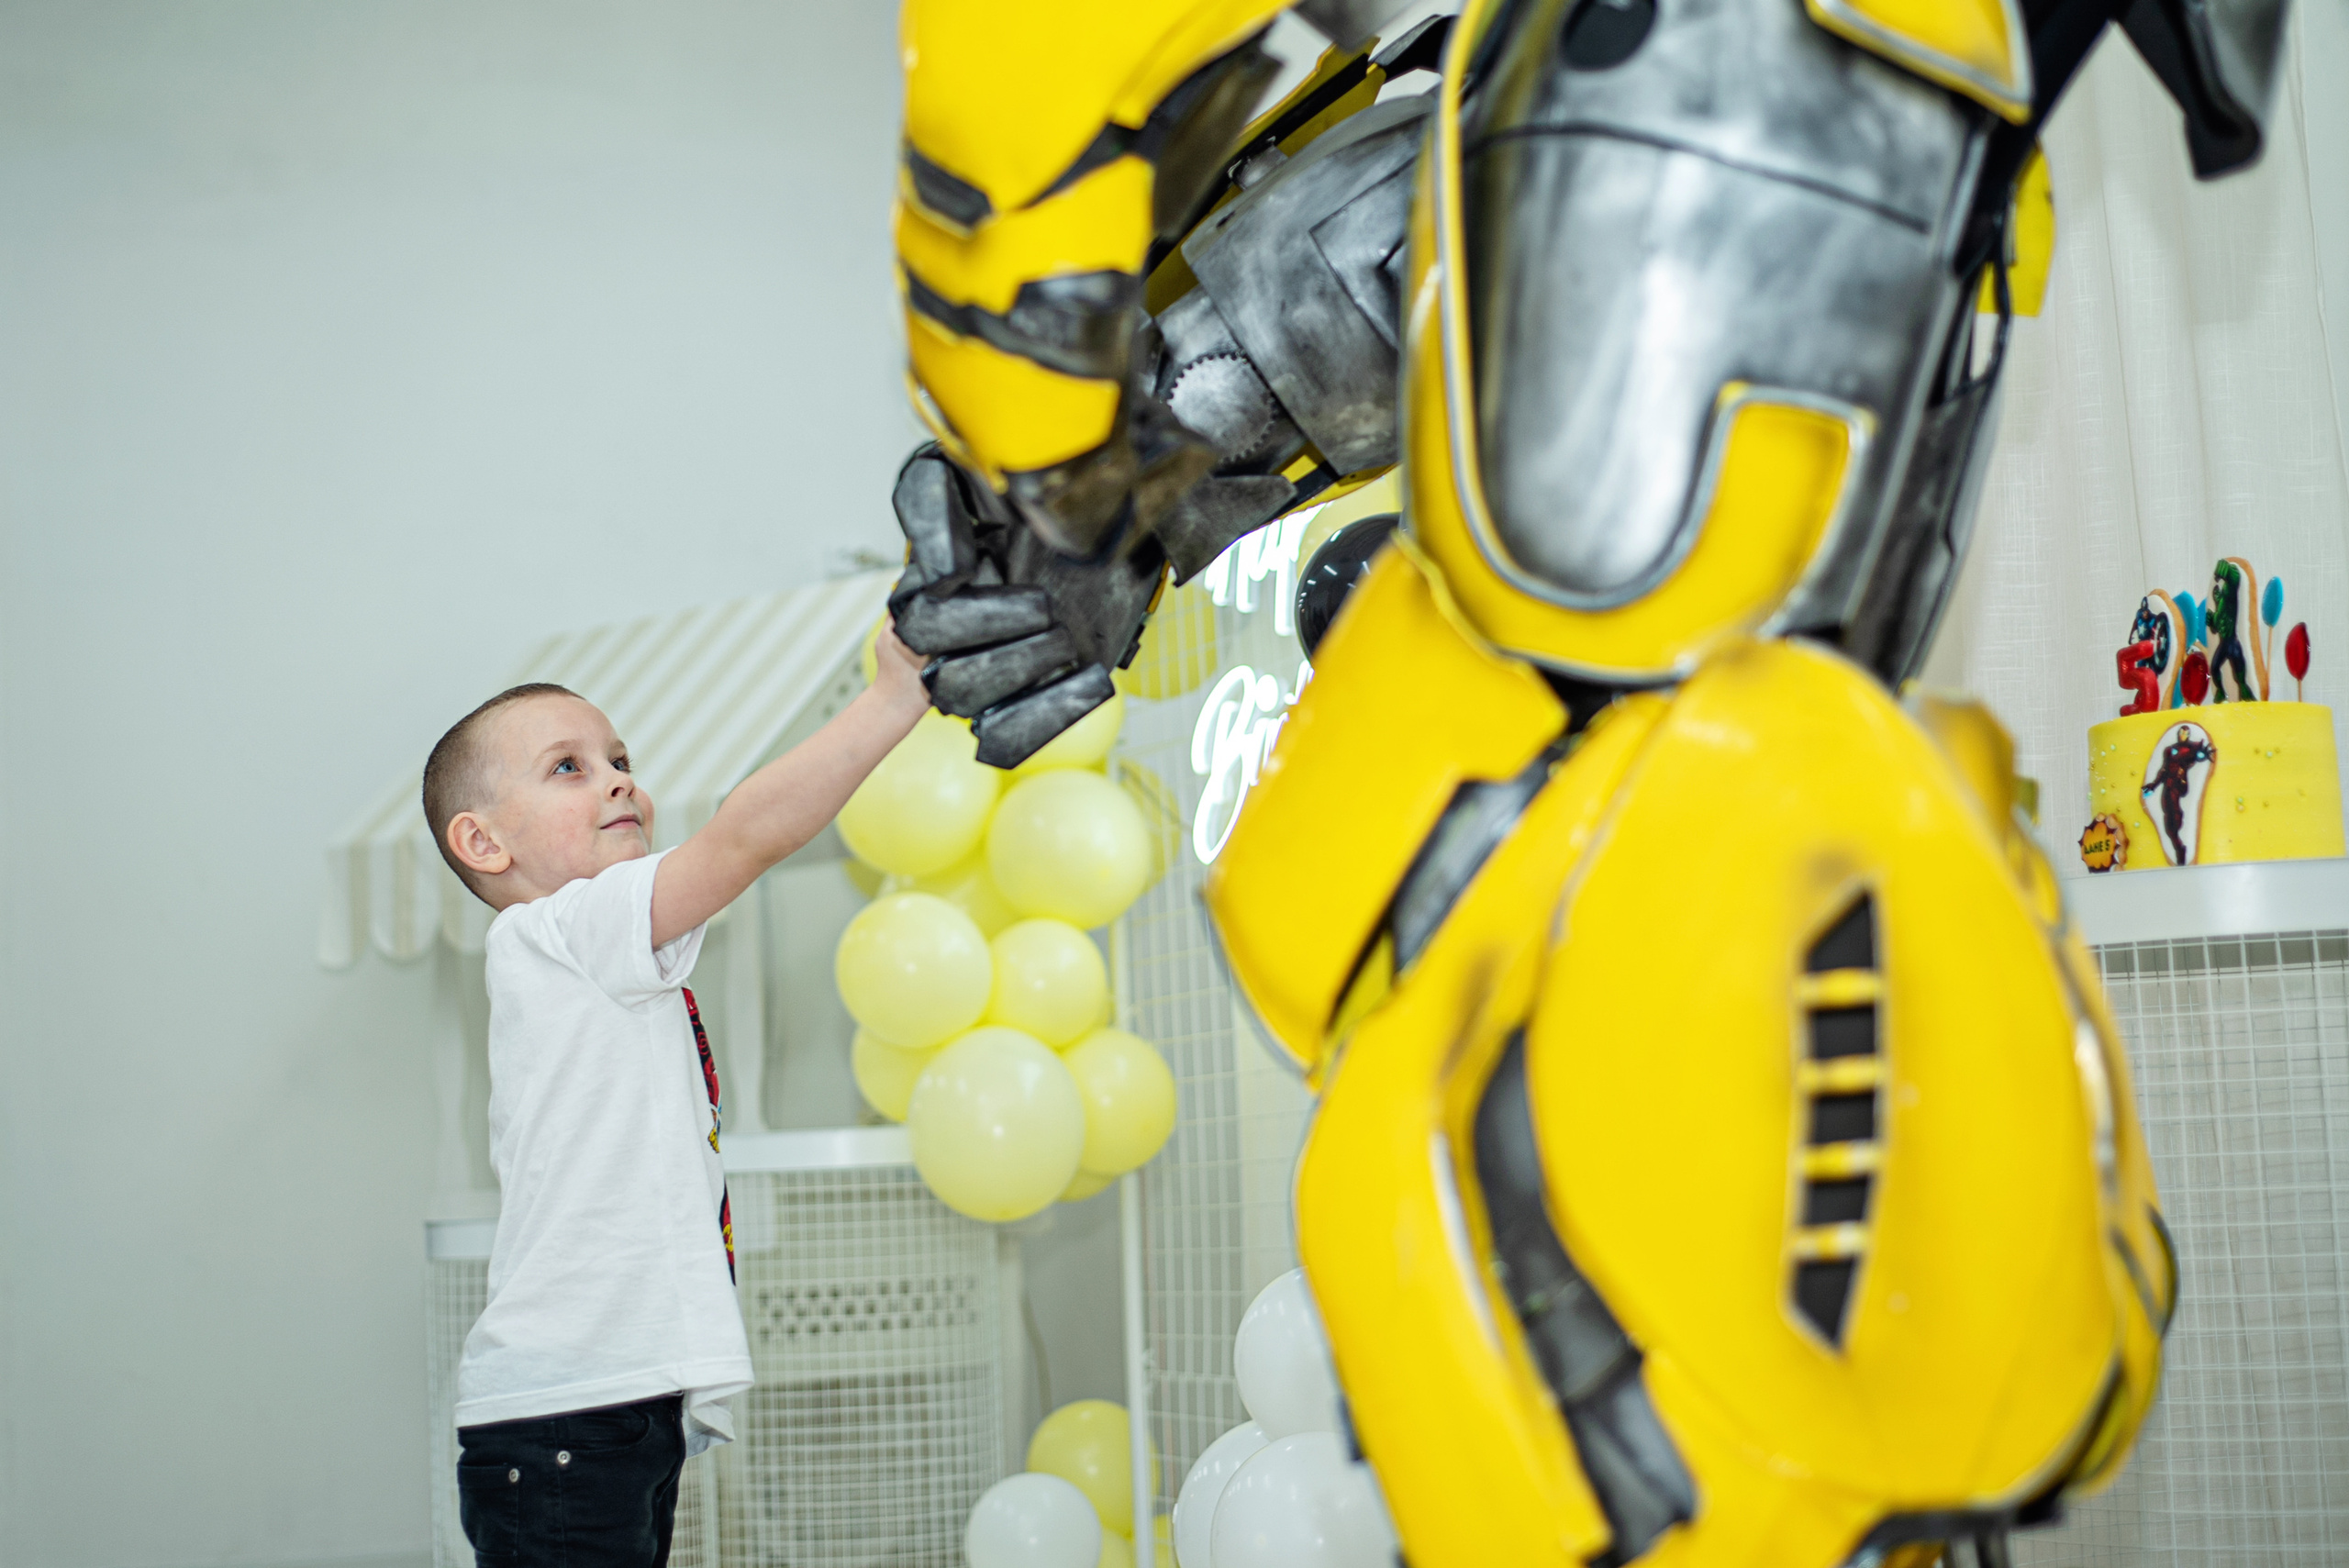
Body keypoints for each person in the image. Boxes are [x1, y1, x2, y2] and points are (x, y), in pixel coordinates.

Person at [422, 620, 930, 1568]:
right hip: (569, 1413)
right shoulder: (561, 929)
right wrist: (892, 698)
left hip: (605, 1409)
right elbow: (746, 835)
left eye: (620, 760)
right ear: (483, 841)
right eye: (568, 767)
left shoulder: (587, 953)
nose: (619, 779)